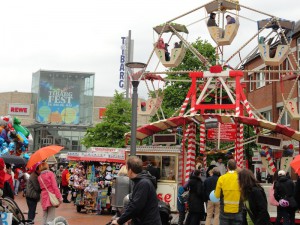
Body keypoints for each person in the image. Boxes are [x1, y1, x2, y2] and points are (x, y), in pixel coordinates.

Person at [111, 156, 162, 225]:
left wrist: (119, 221)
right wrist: (128, 218)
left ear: (130, 170)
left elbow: (135, 206)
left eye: (126, 168)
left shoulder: (143, 183)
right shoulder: (141, 181)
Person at [215, 159, 242, 224]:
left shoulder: (221, 178)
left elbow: (217, 195)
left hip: (224, 210)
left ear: (227, 167)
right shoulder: (240, 178)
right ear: (236, 167)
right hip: (237, 209)